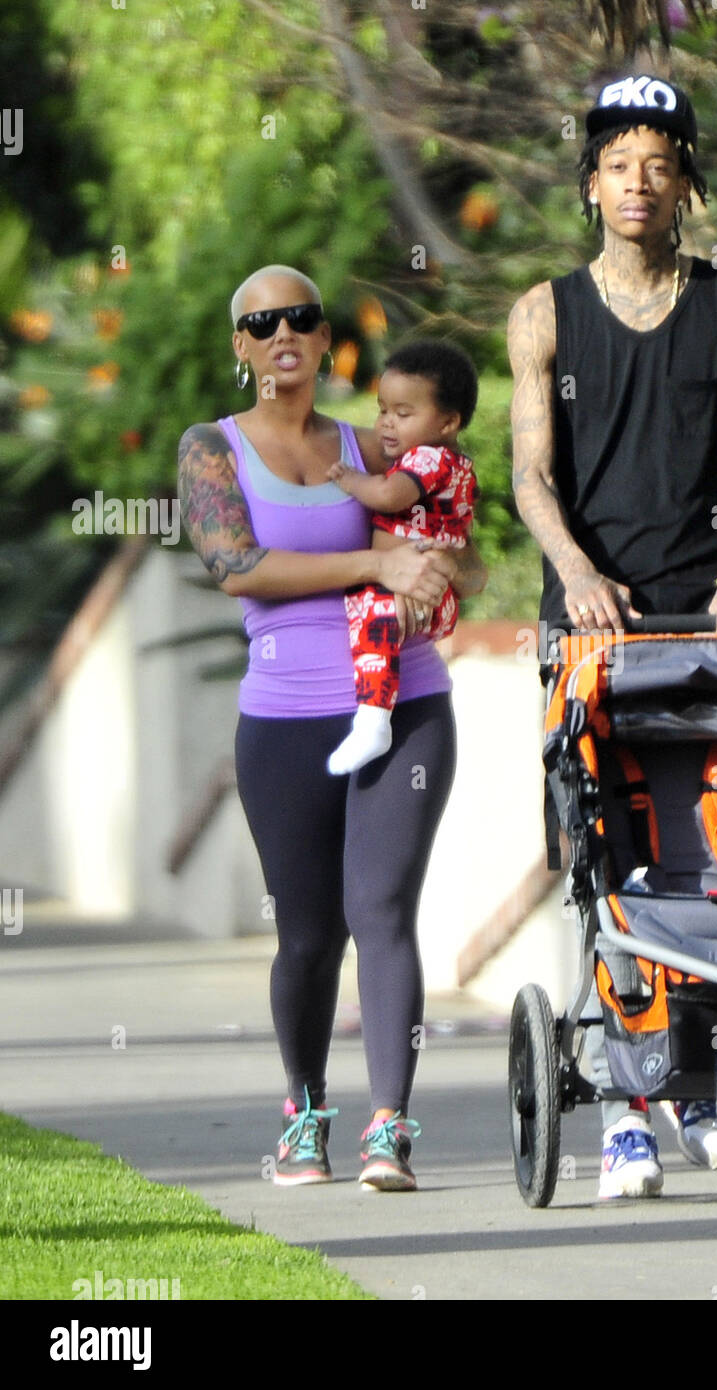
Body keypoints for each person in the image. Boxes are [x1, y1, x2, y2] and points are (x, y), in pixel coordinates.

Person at [508, 75, 717, 1198]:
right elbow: (530, 473)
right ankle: (631, 1105)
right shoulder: (543, 312)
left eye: (660, 163)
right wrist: (576, 574)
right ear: (591, 184)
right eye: (618, 162)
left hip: (713, 615)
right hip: (596, 628)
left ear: (685, 185)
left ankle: (714, 1075)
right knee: (605, 856)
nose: (639, 181)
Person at [178, 265, 485, 1192]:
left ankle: (389, 1127)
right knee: (309, 936)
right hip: (282, 719)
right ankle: (304, 1113)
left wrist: (439, 567)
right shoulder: (211, 448)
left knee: (382, 911)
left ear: (321, 340)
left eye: (300, 318)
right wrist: (376, 558)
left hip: (405, 706)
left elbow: (457, 562)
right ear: (243, 347)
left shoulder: (379, 445)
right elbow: (237, 565)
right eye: (261, 322)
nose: (283, 334)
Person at [325, 341, 479, 775]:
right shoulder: (455, 463)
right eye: (382, 410)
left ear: (448, 422)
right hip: (435, 597)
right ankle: (373, 717)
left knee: (372, 612)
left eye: (403, 413)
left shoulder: (428, 459)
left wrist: (351, 479)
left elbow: (391, 496)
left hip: (421, 591)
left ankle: (374, 719)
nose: (386, 424)